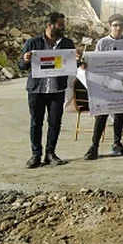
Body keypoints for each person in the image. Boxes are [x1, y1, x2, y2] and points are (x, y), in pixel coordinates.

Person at [19, 12, 80, 168]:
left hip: (57, 90)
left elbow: (73, 66)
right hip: (36, 90)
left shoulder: (67, 43)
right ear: (50, 25)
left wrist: (78, 60)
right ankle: (35, 155)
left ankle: (50, 154)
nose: (63, 28)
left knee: (54, 123)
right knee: (36, 123)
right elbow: (21, 65)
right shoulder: (33, 43)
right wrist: (25, 60)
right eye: (60, 25)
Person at [84, 13, 123, 160]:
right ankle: (94, 146)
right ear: (110, 26)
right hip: (105, 85)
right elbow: (95, 62)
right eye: (115, 25)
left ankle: (117, 143)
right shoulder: (102, 43)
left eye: (120, 25)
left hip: (121, 85)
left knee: (120, 115)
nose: (118, 28)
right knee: (102, 116)